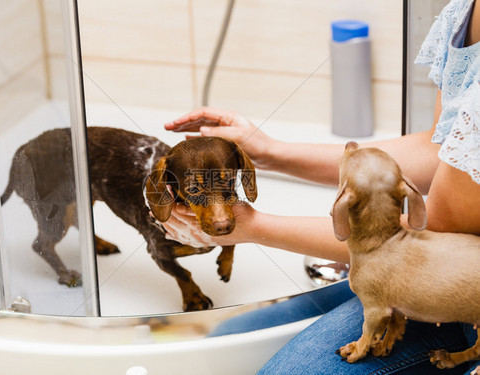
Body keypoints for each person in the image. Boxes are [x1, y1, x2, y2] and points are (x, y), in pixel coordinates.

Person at [161, 0, 480, 373]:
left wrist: (252, 227)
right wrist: (272, 152)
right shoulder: (465, 9)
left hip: (452, 291)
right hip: (426, 268)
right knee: (217, 345)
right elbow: (441, 149)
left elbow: (436, 232)